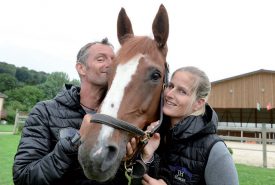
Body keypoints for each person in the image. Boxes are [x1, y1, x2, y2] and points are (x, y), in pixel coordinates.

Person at [12, 38, 121, 185]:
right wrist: (75, 142)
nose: (111, 64)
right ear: (81, 68)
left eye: (114, 60)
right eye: (101, 59)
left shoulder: (120, 117)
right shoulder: (44, 112)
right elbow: (23, 177)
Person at [128, 66, 239, 185]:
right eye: (170, 86)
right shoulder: (154, 135)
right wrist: (146, 158)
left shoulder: (215, 150)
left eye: (182, 91)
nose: (169, 94)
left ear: (198, 103)